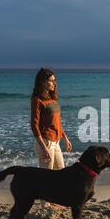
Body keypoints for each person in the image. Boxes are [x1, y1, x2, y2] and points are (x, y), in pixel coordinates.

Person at [31, 68, 72, 207]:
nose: (54, 83)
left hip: (56, 141)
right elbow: (34, 125)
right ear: (43, 82)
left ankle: (54, 201)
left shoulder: (52, 99)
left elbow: (57, 122)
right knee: (46, 177)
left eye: (54, 80)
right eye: (51, 81)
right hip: (45, 142)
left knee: (61, 172)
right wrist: (43, 148)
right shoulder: (37, 100)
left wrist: (65, 137)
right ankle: (45, 206)